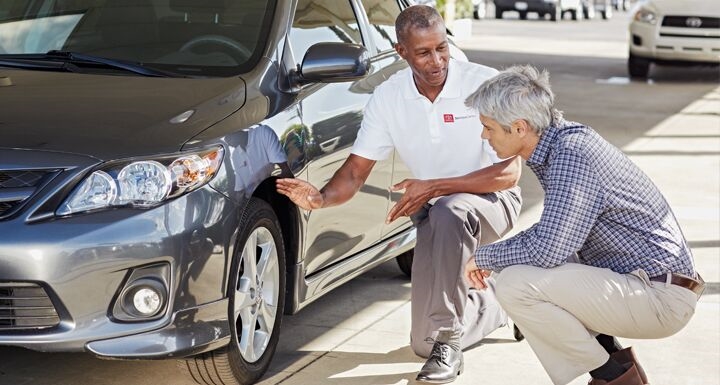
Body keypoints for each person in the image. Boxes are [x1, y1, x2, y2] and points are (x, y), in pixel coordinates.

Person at [276, 5, 522, 384]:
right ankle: (501, 302)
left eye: (442, 47)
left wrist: (437, 186)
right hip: (437, 214)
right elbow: (356, 171)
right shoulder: (388, 97)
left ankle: (450, 342)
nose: (438, 60)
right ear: (400, 52)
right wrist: (322, 198)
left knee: (449, 211)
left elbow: (509, 172)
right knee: (423, 342)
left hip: (491, 204)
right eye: (424, 52)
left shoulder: (483, 84)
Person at [464, 65, 703, 385]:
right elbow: (556, 240)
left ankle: (612, 377)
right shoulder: (563, 145)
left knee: (516, 284)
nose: (484, 135)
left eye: (489, 127)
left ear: (519, 128)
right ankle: (616, 371)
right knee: (526, 267)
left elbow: (547, 248)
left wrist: (483, 257)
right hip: (649, 285)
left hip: (659, 296)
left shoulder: (572, 155)